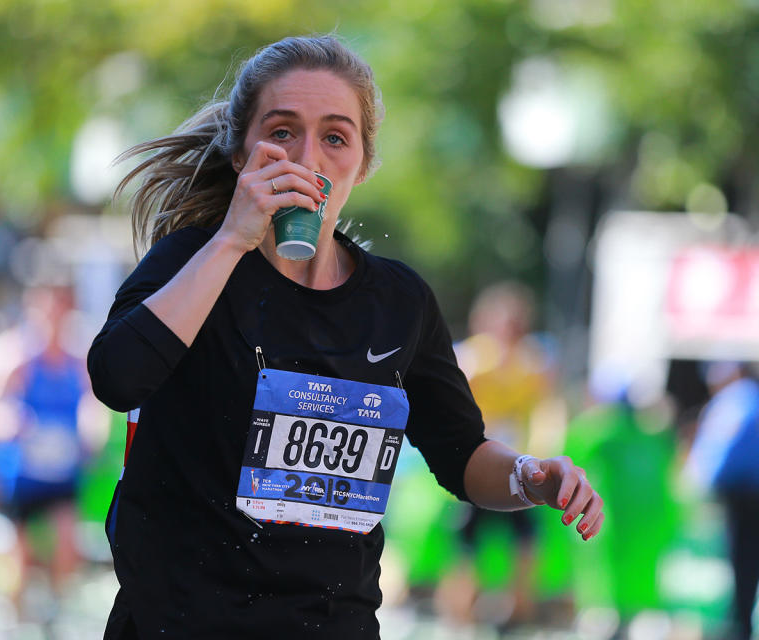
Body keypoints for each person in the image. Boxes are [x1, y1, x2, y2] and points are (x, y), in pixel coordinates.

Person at [87, 35, 605, 639]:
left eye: (335, 137)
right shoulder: (192, 261)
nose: (308, 157)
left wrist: (529, 477)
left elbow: (462, 455)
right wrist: (232, 238)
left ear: (362, 165)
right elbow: (117, 378)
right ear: (240, 155)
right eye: (282, 132)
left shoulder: (399, 302)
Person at [441, 282, 555, 626]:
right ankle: (460, 616)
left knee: (525, 541)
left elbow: (547, 409)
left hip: (516, 466)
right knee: (466, 542)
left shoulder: (531, 365)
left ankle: (519, 613)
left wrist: (544, 448)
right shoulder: (472, 359)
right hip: (476, 464)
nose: (511, 332)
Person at [0, 285, 90, 620]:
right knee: (17, 553)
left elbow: (94, 408)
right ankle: (12, 618)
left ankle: (57, 614)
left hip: (61, 473)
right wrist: (10, 421)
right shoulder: (14, 357)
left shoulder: (79, 360)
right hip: (20, 475)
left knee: (66, 543)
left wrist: (92, 434)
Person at [685, 362, 759, 640]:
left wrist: (696, 483)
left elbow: (718, 453)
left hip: (743, 497)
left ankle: (739, 625)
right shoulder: (747, 398)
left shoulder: (736, 400)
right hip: (747, 494)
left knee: (741, 563)